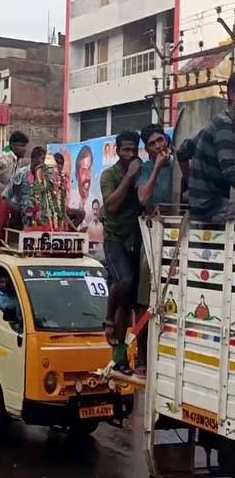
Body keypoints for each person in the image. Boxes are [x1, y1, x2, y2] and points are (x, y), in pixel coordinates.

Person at [134, 124, 174, 378]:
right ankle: (141, 357)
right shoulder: (147, 169)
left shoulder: (179, 163)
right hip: (151, 237)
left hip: (176, 237)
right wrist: (158, 168)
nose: (159, 146)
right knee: (144, 301)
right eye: (153, 143)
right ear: (147, 149)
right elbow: (142, 199)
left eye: (161, 140)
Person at [101, 130, 142, 374]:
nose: (130, 154)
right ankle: (106, 318)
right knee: (123, 281)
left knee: (128, 304)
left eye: (133, 150)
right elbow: (112, 205)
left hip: (135, 240)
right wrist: (129, 177)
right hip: (114, 240)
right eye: (125, 150)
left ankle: (119, 359)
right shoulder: (110, 175)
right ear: (117, 151)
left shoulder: (141, 170)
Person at [189, 73, 235, 221]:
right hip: (210, 206)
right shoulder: (224, 125)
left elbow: (183, 151)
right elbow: (230, 171)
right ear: (232, 94)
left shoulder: (220, 123)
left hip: (207, 203)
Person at [71, 145, 94, 211]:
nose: (88, 176)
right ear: (76, 175)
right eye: (83, 171)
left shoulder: (95, 201)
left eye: (89, 169)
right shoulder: (71, 198)